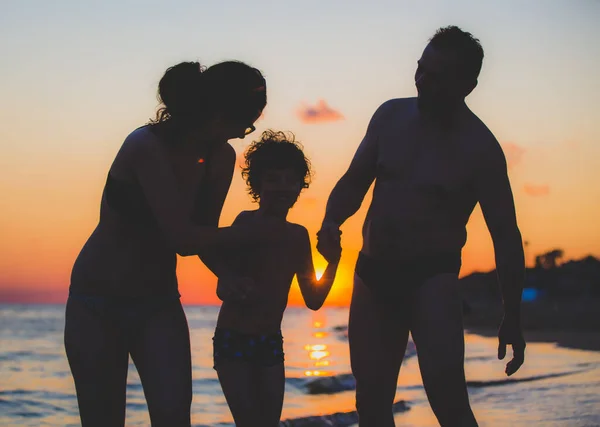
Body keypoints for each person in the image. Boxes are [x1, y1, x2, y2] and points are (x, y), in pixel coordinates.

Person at [317, 26, 526, 427]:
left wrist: (511, 315)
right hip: (372, 271)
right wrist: (330, 220)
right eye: (420, 68)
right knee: (371, 403)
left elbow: (506, 236)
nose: (422, 80)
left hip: (432, 277)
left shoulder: (480, 148)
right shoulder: (389, 116)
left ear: (468, 84)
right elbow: (353, 182)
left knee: (448, 403)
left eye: (437, 75)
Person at [64, 60, 279, 427]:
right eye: (245, 123)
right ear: (216, 114)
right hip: (96, 303)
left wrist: (226, 273)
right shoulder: (145, 146)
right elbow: (181, 237)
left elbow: (203, 234)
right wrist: (253, 232)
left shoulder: (220, 157)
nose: (247, 133)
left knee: (174, 415)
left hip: (157, 303)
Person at [212, 130, 341, 427]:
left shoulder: (298, 236)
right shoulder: (244, 223)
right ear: (257, 184)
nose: (282, 187)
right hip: (233, 340)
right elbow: (222, 285)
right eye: (272, 179)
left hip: (270, 342)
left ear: (300, 186)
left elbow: (314, 299)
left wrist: (333, 261)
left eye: (290, 180)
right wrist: (234, 284)